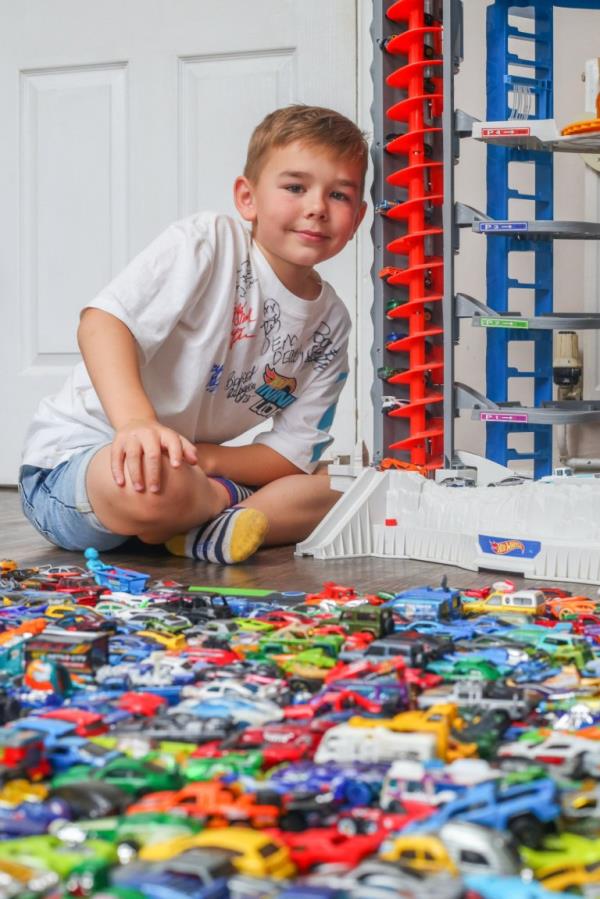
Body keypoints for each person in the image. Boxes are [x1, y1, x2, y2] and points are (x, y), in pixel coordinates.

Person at [19, 104, 368, 564]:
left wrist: (209, 460)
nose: (316, 208)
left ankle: (201, 528)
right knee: (154, 483)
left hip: (192, 471)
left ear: (359, 217)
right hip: (82, 464)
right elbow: (103, 322)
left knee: (350, 485)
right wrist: (137, 424)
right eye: (295, 187)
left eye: (339, 196)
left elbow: (291, 453)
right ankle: (212, 510)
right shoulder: (208, 242)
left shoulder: (331, 323)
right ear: (247, 198)